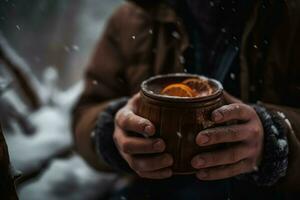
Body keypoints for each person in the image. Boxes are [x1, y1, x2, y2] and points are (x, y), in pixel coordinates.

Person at [73, 0, 300, 199]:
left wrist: (276, 142)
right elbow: (85, 113)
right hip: (151, 191)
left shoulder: (291, 15)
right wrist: (111, 132)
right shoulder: (132, 17)